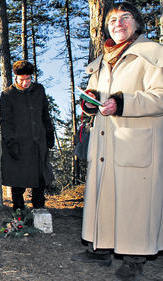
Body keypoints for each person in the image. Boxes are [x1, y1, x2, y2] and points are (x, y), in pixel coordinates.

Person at [71, 3, 163, 281]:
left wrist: (122, 102)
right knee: (105, 195)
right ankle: (101, 248)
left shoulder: (153, 54)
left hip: (136, 140)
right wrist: (90, 103)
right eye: (112, 20)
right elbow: (99, 96)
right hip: (105, 139)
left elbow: (160, 95)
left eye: (125, 18)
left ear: (137, 23)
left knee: (136, 200)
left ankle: (134, 258)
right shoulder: (104, 58)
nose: (118, 24)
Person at [0, 60, 54, 211]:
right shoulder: (7, 95)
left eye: (28, 79)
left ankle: (39, 207)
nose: (25, 83)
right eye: (22, 80)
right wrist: (10, 143)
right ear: (15, 77)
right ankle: (18, 210)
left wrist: (49, 132)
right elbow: (5, 121)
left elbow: (45, 113)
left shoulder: (39, 90)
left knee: (40, 176)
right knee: (18, 179)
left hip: (38, 142)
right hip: (17, 143)